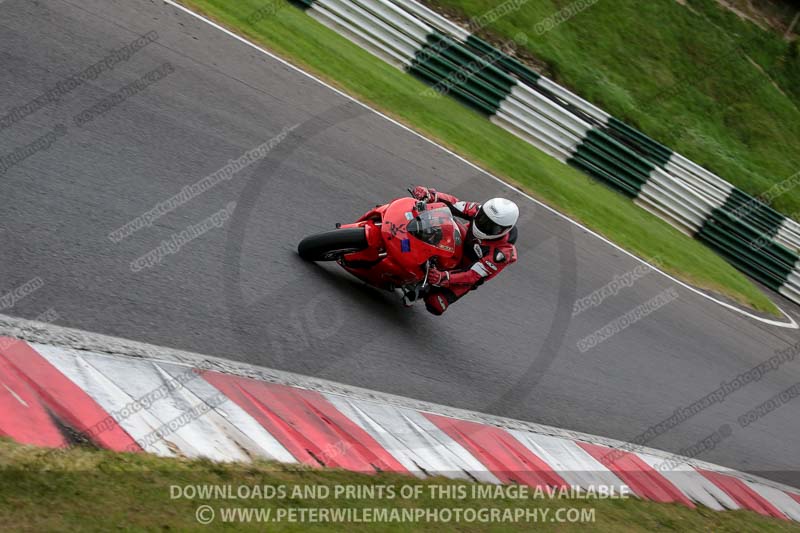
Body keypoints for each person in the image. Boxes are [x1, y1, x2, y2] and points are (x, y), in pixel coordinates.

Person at [409, 185, 519, 315]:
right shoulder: (478, 210)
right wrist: (431, 195)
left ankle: (421, 289)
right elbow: (454, 204)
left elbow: (472, 275)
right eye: (482, 218)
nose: (483, 224)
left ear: (504, 230)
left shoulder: (501, 253)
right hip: (461, 242)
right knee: (438, 222)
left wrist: (443, 277)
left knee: (436, 304)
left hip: (466, 270)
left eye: (491, 227)